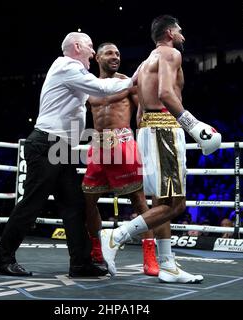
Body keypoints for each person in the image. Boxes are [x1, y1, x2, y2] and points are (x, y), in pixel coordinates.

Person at [0, 32, 135, 277]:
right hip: (47, 143)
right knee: (32, 203)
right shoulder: (66, 65)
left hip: (61, 146)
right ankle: (2, 260)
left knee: (74, 205)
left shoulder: (70, 71)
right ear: (77, 47)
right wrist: (137, 79)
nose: (92, 53)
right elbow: (100, 87)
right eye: (90, 47)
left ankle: (80, 263)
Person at [99, 15, 221, 283]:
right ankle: (117, 235)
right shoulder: (170, 53)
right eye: (179, 30)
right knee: (176, 204)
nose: (183, 36)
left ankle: (167, 265)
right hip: (164, 128)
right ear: (169, 32)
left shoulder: (144, 63)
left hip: (147, 130)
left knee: (162, 202)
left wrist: (145, 134)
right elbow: (166, 92)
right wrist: (194, 126)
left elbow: (139, 107)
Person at [82, 42, 159, 276]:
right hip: (98, 144)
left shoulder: (128, 82)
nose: (115, 57)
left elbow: (143, 110)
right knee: (87, 201)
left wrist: (145, 141)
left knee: (138, 200)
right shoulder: (88, 86)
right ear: (98, 58)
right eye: (109, 53)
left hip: (123, 141)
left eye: (118, 53)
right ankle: (97, 251)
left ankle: (150, 256)